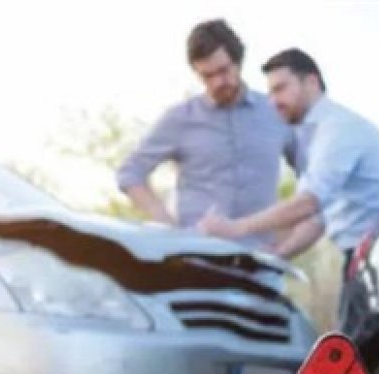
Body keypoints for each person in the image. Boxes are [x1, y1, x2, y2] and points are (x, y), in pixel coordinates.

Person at [198, 47, 379, 269]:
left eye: (281, 89)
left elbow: (307, 203)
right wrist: (276, 255)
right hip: (365, 255)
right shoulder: (318, 135)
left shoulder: (338, 129)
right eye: (271, 93)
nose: (274, 101)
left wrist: (235, 228)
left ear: (311, 82)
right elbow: (319, 217)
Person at [116, 19, 292, 249]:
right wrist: (169, 230)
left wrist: (287, 240)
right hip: (198, 258)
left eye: (223, 71)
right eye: (207, 76)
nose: (218, 82)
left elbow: (315, 179)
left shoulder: (276, 112)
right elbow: (130, 174)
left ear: (238, 62)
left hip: (261, 261)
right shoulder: (180, 119)